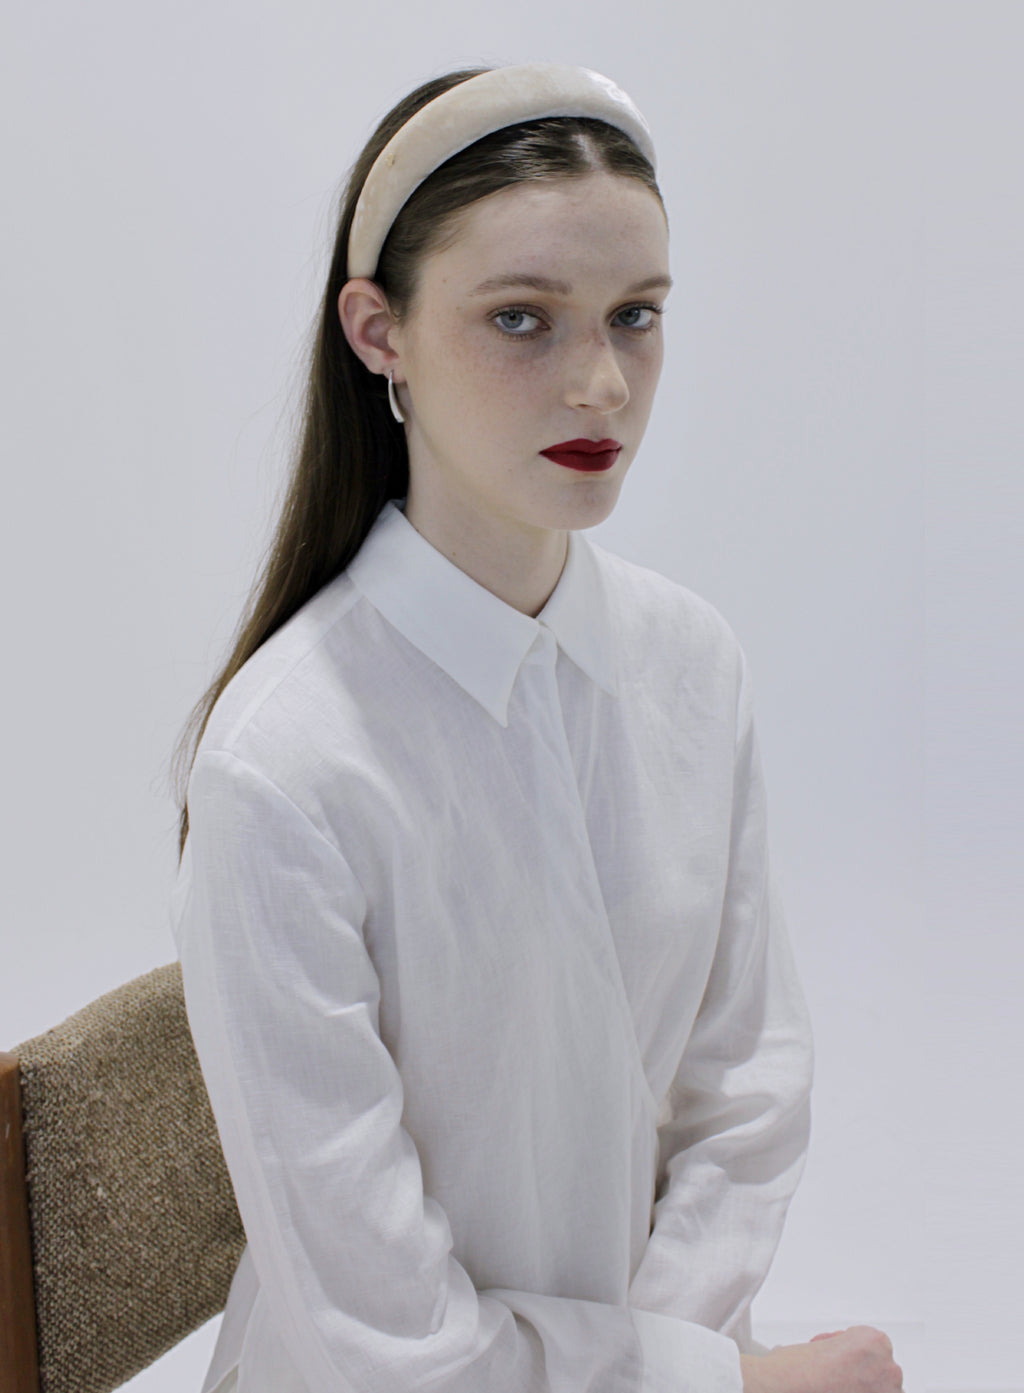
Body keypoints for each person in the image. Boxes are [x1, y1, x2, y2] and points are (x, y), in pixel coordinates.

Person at [171, 63, 903, 1393]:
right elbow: (381, 1336)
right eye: (522, 318)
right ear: (377, 330)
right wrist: (714, 1383)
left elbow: (747, 1091)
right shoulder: (283, 766)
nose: (603, 385)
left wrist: (679, 1362)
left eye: (636, 316)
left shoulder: (693, 664)